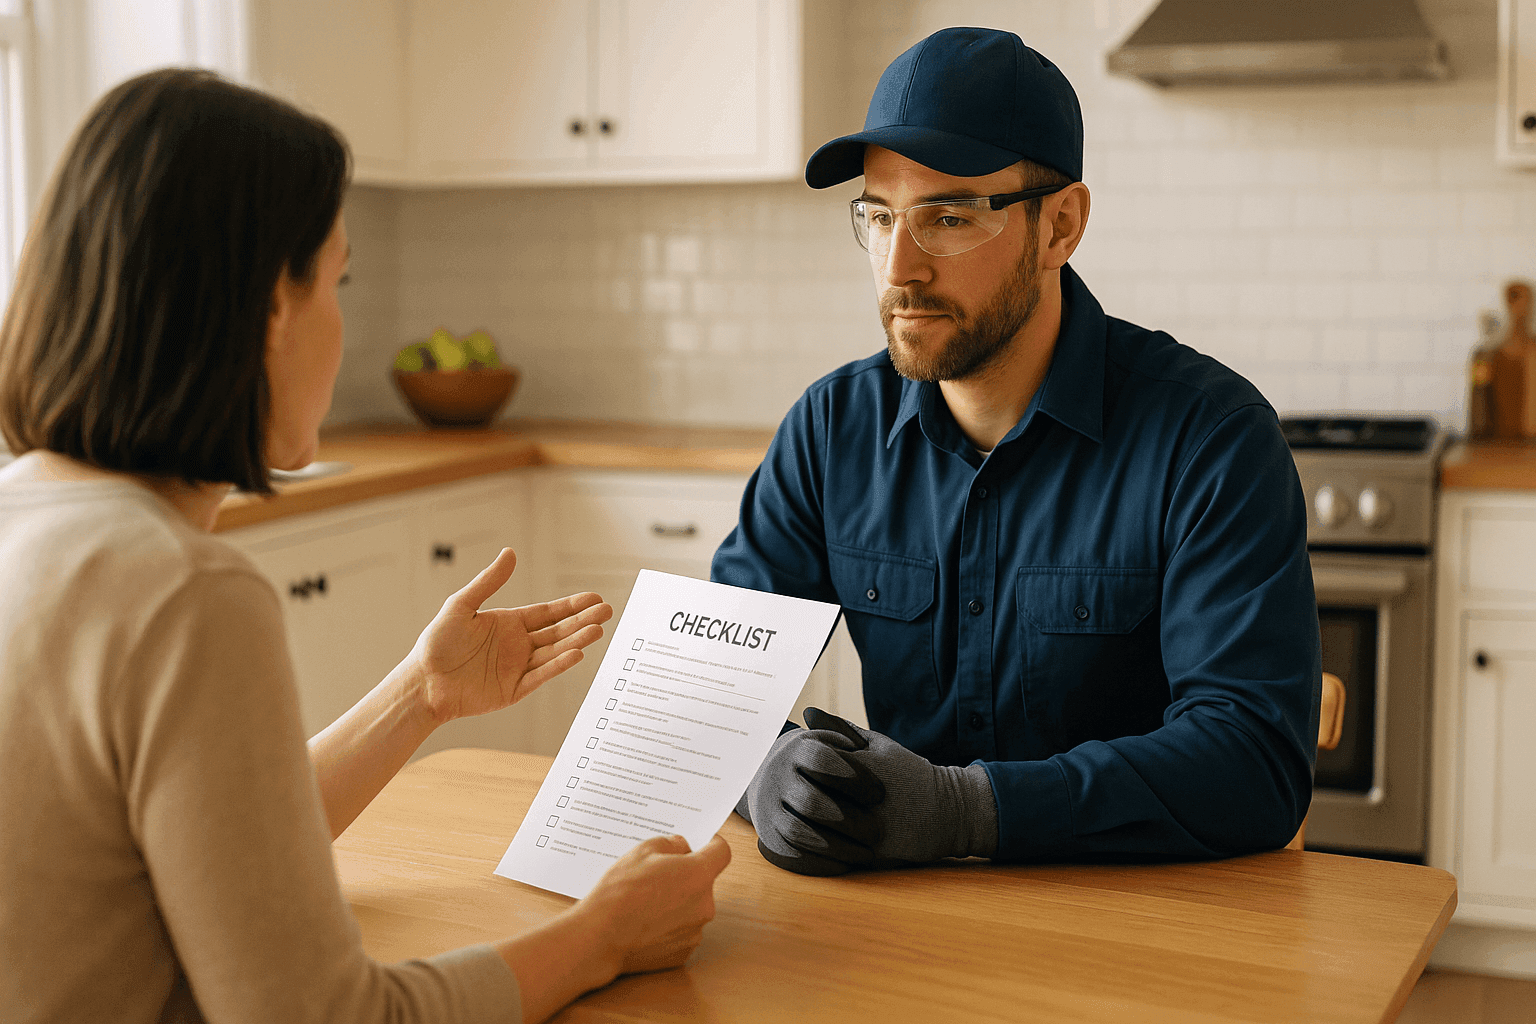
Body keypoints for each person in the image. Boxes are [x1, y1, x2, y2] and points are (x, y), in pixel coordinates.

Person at [0, 68, 729, 1024]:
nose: (343, 328)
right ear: (270, 308)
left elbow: (215, 841)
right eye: (336, 280)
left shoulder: (27, 515)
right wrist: (604, 938)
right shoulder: (181, 590)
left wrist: (419, 698)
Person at [715, 27, 1321, 875]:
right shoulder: (828, 431)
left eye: (949, 218)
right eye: (880, 216)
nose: (899, 269)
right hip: (896, 921)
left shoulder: (1210, 438)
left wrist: (970, 811)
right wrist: (759, 768)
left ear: (1059, 227)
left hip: (1143, 929)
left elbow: (1254, 762)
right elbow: (708, 687)